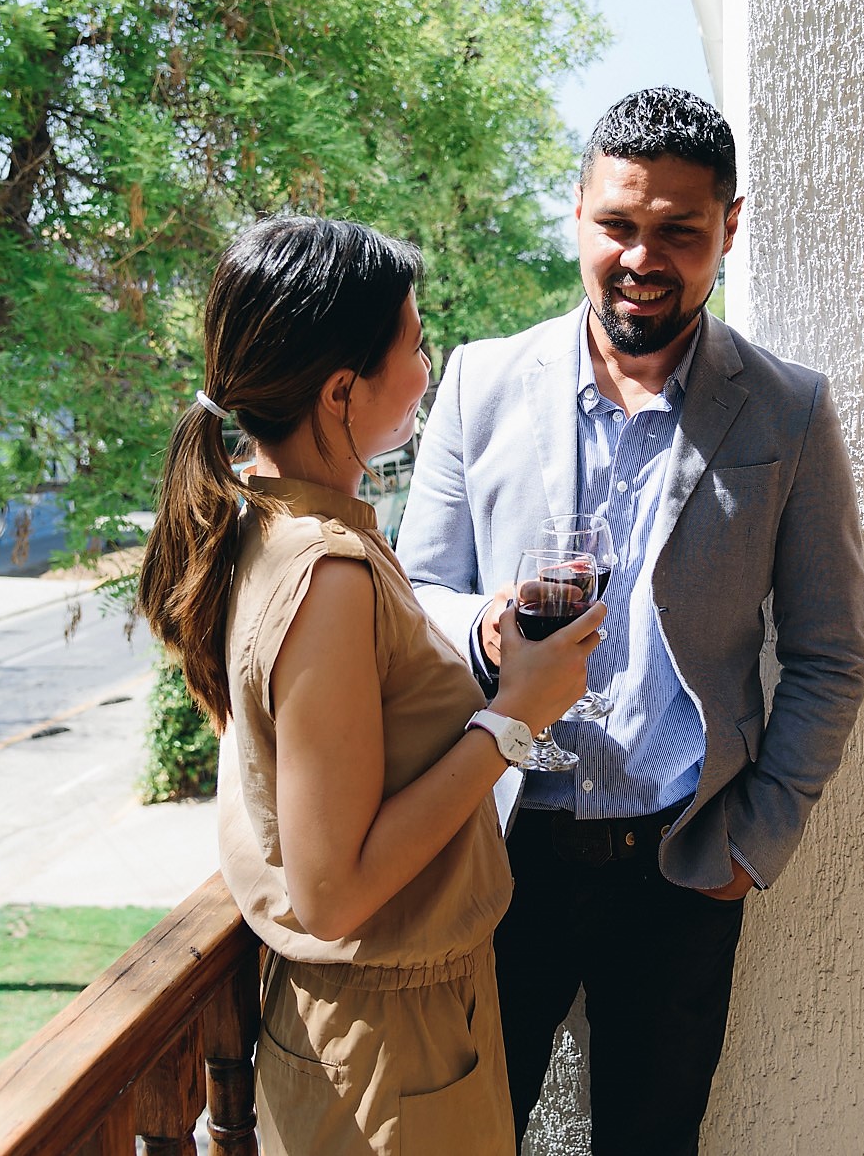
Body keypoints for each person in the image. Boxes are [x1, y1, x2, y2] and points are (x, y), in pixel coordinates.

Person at [397, 87, 864, 1153]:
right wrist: (487, 631)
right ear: (576, 215)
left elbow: (830, 652)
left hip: (681, 864)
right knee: (461, 1141)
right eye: (617, 224)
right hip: (498, 850)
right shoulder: (477, 384)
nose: (641, 257)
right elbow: (410, 595)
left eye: (678, 231)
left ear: (728, 229)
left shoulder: (787, 409)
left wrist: (757, 836)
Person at [138, 216, 604, 1156]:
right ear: (342, 391)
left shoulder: (269, 528)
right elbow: (333, 889)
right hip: (389, 1056)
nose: (429, 368)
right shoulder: (327, 572)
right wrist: (517, 717)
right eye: (415, 343)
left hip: (386, 1036)